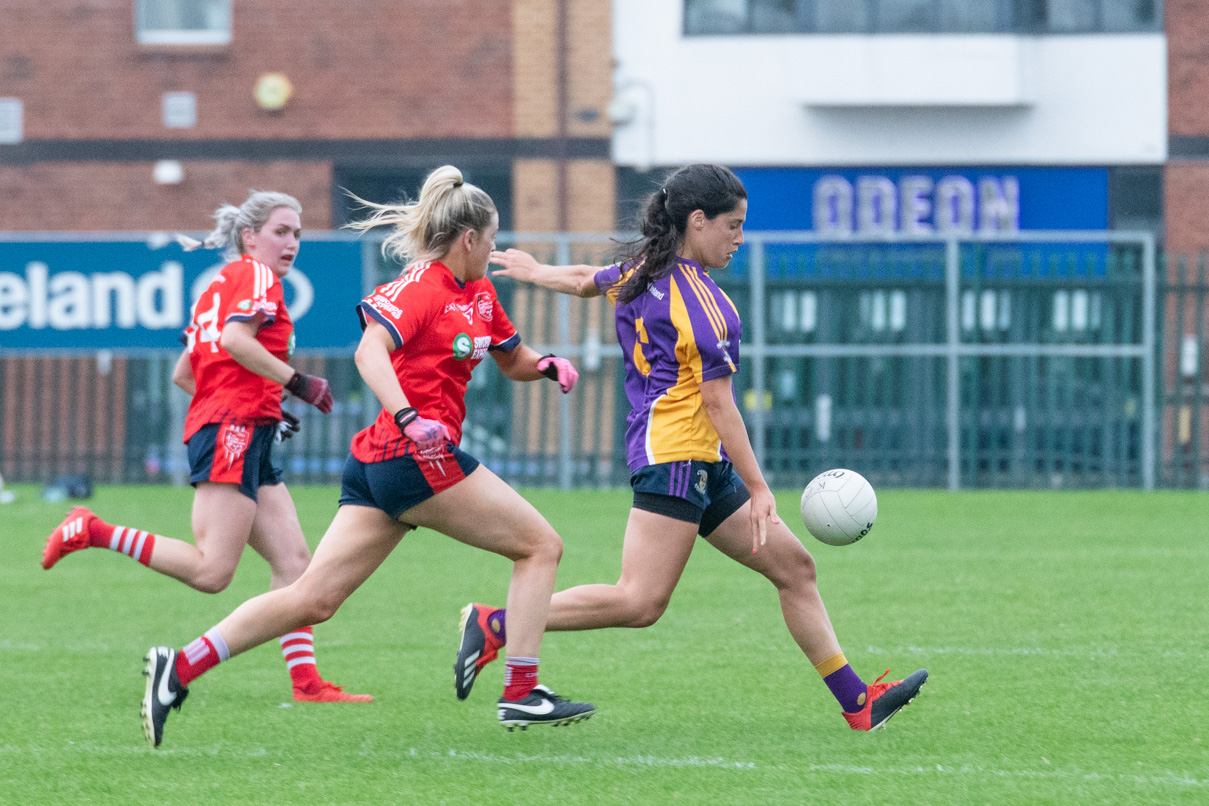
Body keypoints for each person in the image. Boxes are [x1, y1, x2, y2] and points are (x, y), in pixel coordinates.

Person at [456, 164, 927, 731]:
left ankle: (858, 704)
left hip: (699, 458)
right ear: (697, 221)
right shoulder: (706, 308)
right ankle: (497, 624)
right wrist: (758, 487)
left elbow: (586, 279)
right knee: (639, 602)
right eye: (733, 225)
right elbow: (720, 403)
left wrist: (535, 271)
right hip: (677, 457)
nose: (740, 238)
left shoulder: (643, 271)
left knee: (796, 569)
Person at [139, 166, 595, 748]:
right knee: (541, 546)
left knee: (313, 599)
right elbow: (368, 350)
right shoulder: (421, 285)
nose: (496, 248)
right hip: (413, 456)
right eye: (493, 236)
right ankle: (522, 692)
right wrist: (408, 414)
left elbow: (511, 357)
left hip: (387, 467)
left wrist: (547, 364)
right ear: (469, 239)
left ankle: (178, 668)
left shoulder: (477, 292)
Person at [42, 191, 372, 705]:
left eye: (298, 234)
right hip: (232, 431)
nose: (292, 244)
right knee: (213, 571)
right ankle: (94, 530)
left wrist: (268, 404)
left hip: (245, 426)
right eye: (281, 232)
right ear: (250, 237)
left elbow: (185, 372)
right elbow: (238, 342)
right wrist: (296, 383)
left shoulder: (220, 284)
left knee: (295, 564)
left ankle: (307, 685)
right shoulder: (257, 277)